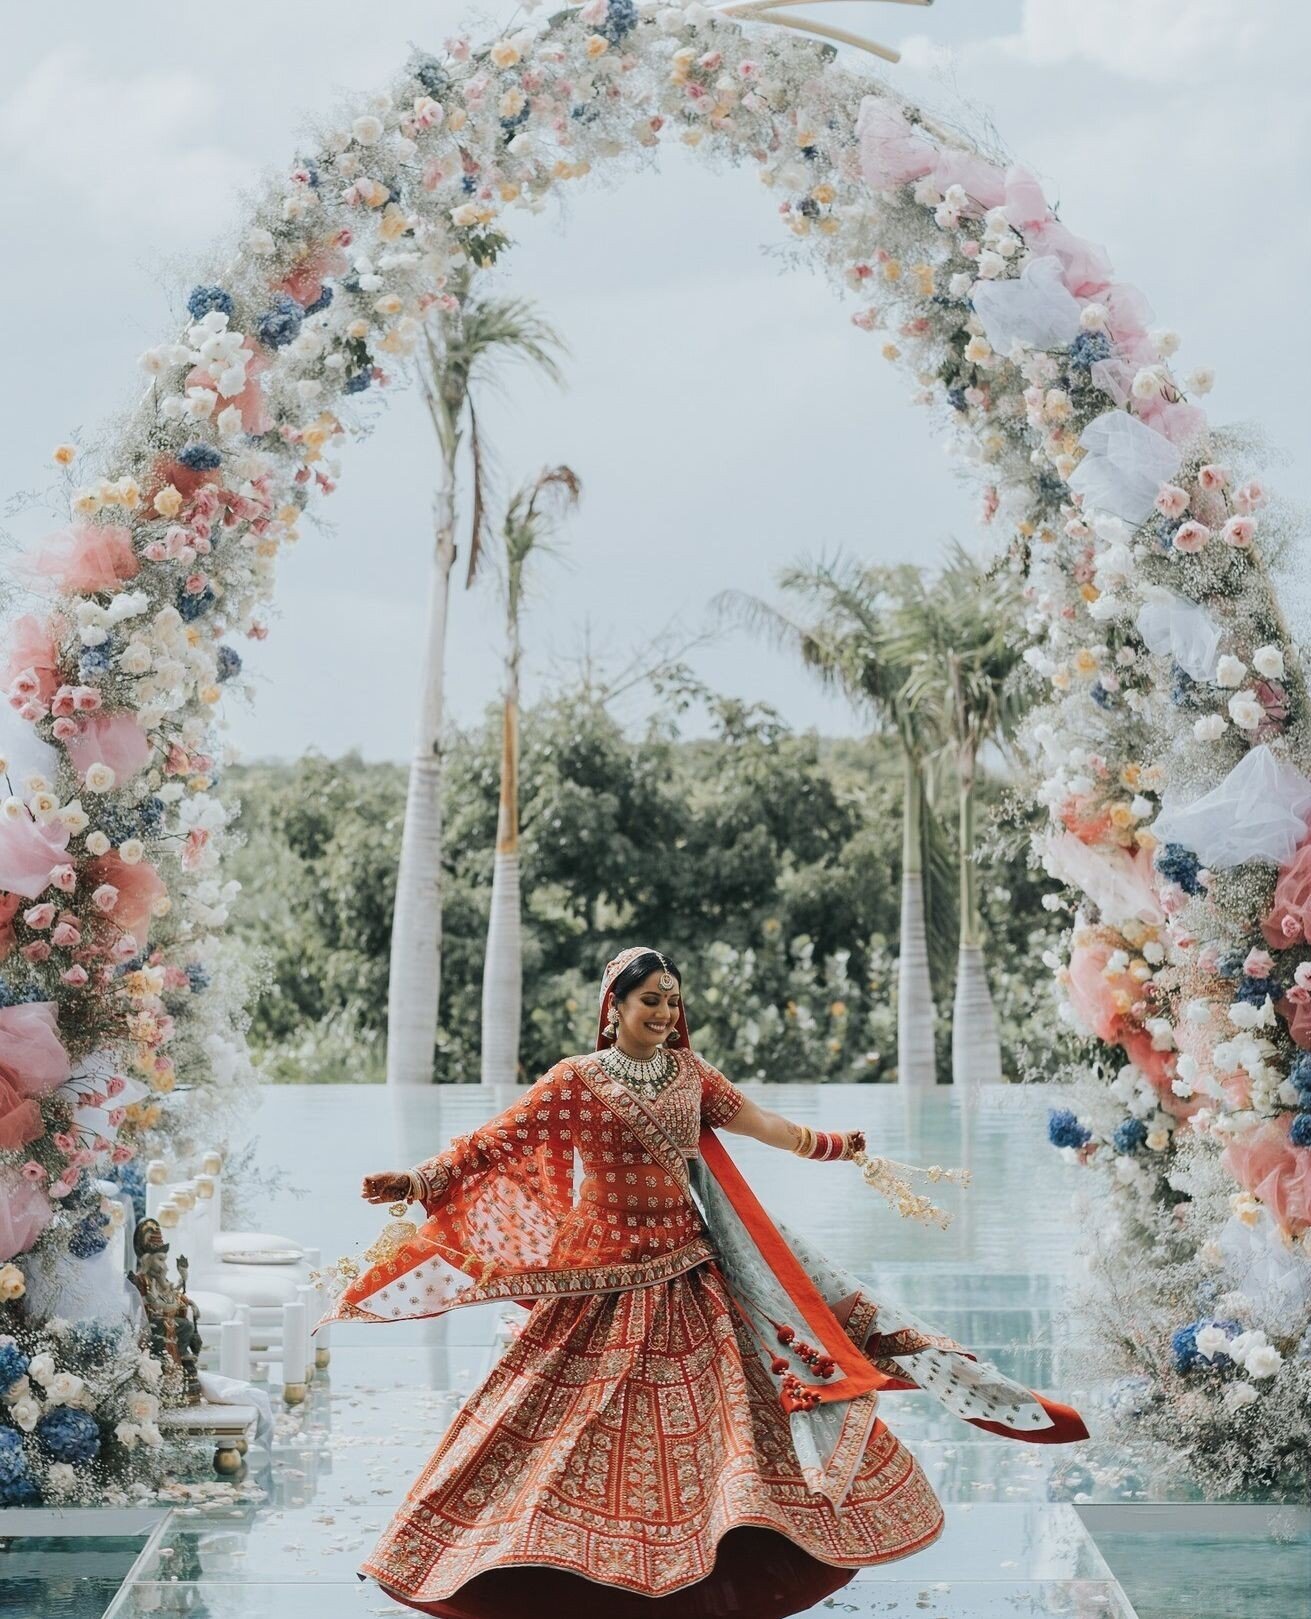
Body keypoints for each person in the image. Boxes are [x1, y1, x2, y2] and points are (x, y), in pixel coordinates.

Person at [316, 946, 1087, 1619]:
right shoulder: (576, 1079)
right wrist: (418, 1179)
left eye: (673, 1000)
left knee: (723, 1428)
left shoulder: (690, 1073)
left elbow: (764, 1125)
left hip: (689, 1268)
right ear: (613, 1006)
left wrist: (833, 1147)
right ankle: (520, 1563)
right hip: (599, 1279)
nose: (664, 1012)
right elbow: (495, 1140)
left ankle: (722, 1565)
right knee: (553, 1419)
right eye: (650, 999)